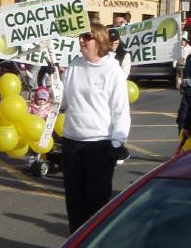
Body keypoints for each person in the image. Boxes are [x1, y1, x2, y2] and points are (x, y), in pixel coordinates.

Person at [61, 23, 131, 233]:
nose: (81, 40)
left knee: (97, 201)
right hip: (72, 140)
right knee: (74, 201)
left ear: (99, 41)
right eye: (81, 37)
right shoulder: (74, 65)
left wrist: (118, 141)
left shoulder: (112, 70)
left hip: (99, 144)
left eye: (86, 37)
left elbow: (120, 109)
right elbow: (64, 101)